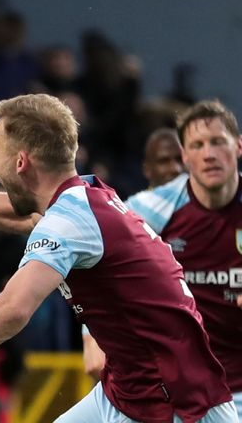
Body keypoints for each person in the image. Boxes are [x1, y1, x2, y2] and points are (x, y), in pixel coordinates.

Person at [0, 94, 237, 422]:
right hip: (126, 394)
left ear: (21, 161)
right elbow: (24, 212)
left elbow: (12, 309)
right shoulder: (88, 196)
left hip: (178, 405)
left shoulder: (70, 220)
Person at [84, 99, 242, 418]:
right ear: (185, 156)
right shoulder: (151, 209)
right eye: (197, 145)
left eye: (217, 142)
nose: (209, 154)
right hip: (171, 386)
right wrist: (92, 337)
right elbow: (93, 258)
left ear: (239, 147)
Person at [81, 126, 185, 379]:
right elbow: (96, 271)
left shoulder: (212, 210)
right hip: (138, 346)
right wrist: (91, 336)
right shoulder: (130, 215)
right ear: (147, 170)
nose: (174, 168)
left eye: (179, 159)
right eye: (164, 161)